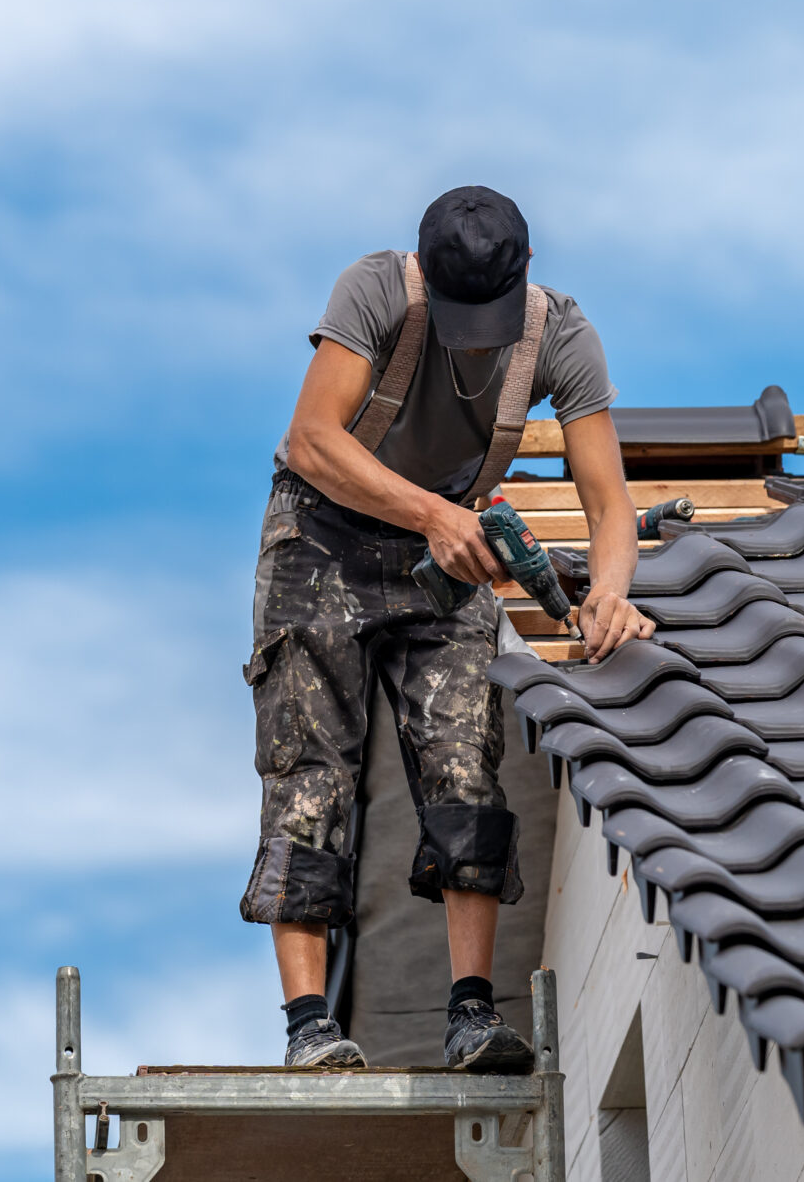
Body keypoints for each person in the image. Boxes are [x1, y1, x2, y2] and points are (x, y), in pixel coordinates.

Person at [241, 186, 655, 1071]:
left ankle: (472, 1014)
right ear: (423, 269)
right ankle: (309, 1026)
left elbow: (610, 502)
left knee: (466, 759)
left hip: (448, 551)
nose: (476, 334)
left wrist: (612, 592)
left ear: (528, 274)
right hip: (323, 540)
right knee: (310, 768)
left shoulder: (563, 335)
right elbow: (312, 439)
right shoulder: (376, 292)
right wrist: (432, 512)